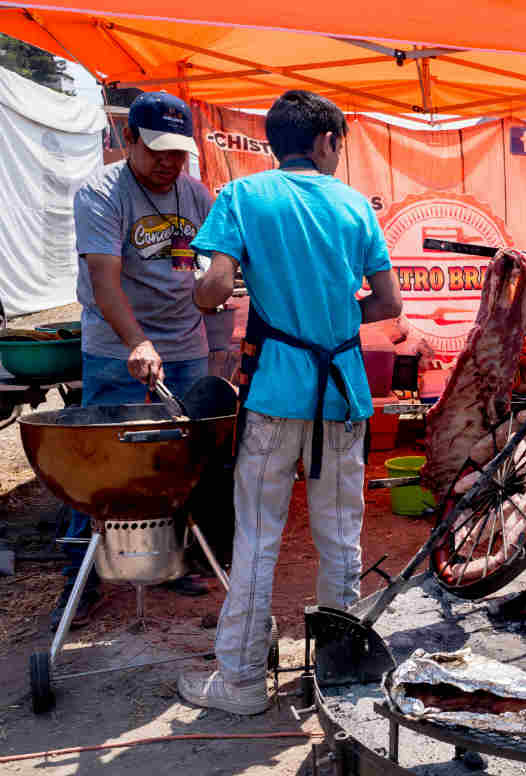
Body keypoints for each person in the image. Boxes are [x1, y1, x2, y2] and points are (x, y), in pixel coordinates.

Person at [178, 90, 402, 715]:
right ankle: (339, 678)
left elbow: (215, 285)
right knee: (340, 539)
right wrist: (334, 315)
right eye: (340, 144)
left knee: (257, 538)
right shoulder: (355, 205)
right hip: (341, 395)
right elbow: (387, 305)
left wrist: (205, 295)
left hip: (275, 394)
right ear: (326, 140)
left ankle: (243, 680)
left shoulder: (243, 197)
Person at [54, 92, 214, 630]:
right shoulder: (101, 193)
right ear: (130, 141)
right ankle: (82, 579)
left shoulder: (196, 196)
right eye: (158, 150)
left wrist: (218, 339)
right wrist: (136, 343)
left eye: (179, 152)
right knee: (101, 467)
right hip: (114, 346)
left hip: (185, 344)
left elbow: (212, 271)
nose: (169, 162)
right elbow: (104, 280)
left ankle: (171, 560)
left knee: (178, 460)